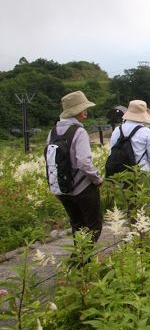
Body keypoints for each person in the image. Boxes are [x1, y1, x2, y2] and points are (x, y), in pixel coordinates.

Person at [46, 91, 103, 243]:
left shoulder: (52, 132)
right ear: (76, 112)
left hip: (62, 188)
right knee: (94, 226)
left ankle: (81, 262)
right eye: (83, 108)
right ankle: (79, 263)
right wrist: (97, 179)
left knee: (77, 226)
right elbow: (84, 162)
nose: (86, 111)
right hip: (83, 189)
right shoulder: (79, 131)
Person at [109, 100, 150, 204]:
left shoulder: (117, 130)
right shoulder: (146, 132)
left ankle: (131, 219)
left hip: (122, 174)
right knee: (144, 206)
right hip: (142, 174)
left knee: (129, 204)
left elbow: (111, 154)